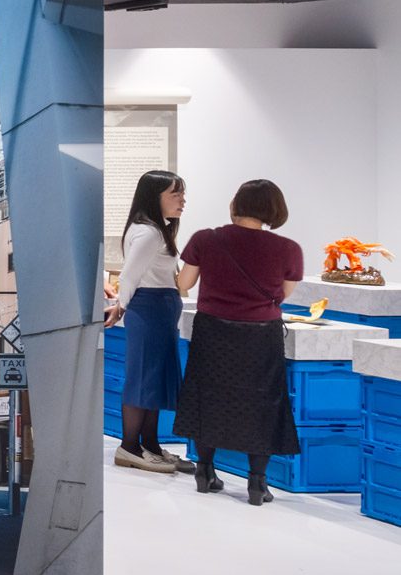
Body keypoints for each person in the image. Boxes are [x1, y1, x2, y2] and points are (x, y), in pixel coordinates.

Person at [173, 178, 305, 506]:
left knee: (209, 395)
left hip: (213, 330)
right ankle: (257, 483)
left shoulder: (206, 239)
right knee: (263, 401)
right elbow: (283, 296)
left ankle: (205, 471)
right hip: (260, 335)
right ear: (275, 209)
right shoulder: (289, 249)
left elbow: (183, 283)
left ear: (235, 205)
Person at [104, 170, 196, 473]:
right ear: (154, 197)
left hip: (159, 307)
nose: (182, 199)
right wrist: (121, 306)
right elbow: (129, 275)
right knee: (143, 377)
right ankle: (129, 447)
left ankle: (150, 445)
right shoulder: (148, 232)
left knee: (154, 378)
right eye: (175, 193)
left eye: (182, 193)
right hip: (149, 307)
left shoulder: (157, 228)